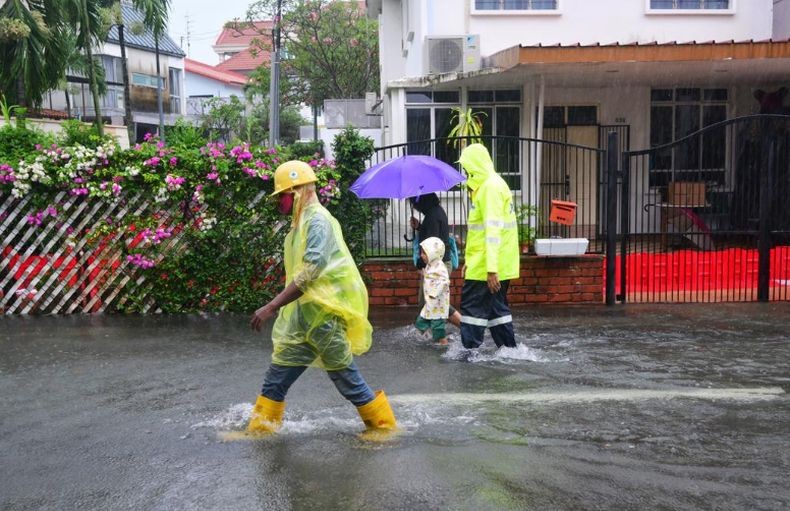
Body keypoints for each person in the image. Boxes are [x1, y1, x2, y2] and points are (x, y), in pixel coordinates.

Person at [247, 160, 397, 439]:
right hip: (304, 317)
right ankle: (259, 431)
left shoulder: (318, 220)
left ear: (297, 191)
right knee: (277, 375)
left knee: (345, 377)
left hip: (324, 316)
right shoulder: (301, 223)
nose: (279, 202)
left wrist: (271, 306)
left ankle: (384, 429)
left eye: (282, 195)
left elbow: (311, 271)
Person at [457, 144, 519, 349]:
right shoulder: (492, 185)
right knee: (495, 310)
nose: (466, 173)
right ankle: (508, 351)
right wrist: (470, 261)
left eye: (467, 168)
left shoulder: (490, 188)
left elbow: (492, 232)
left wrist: (491, 269)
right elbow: (480, 232)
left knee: (472, 309)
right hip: (492, 263)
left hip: (488, 266)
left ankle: (469, 352)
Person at [409, 193, 462, 328]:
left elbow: (432, 246)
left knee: (435, 302)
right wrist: (420, 227)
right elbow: (433, 236)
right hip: (439, 263)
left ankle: (465, 327)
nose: (416, 208)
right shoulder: (436, 212)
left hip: (437, 265)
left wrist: (420, 265)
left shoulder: (432, 217)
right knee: (430, 302)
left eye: (415, 204)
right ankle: (431, 333)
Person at [414, 237, 450, 345]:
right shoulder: (430, 265)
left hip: (438, 305)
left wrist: (435, 292)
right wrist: (425, 274)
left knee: (438, 327)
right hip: (430, 303)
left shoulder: (440, 266)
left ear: (433, 253)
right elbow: (431, 277)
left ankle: (443, 344)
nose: (421, 256)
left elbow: (445, 281)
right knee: (421, 321)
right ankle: (425, 337)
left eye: (424, 253)